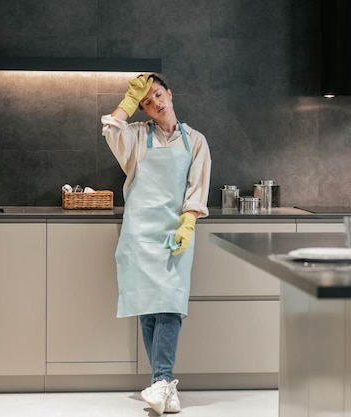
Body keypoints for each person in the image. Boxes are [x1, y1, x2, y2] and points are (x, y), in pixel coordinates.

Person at [101, 73, 211, 415]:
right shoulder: (135, 137)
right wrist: (127, 102)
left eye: (158, 95)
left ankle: (162, 381)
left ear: (171, 94)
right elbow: (110, 129)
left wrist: (188, 223)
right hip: (140, 235)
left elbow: (197, 188)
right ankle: (164, 386)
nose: (156, 104)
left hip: (175, 234)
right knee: (149, 309)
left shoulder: (195, 141)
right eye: (147, 102)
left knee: (170, 306)